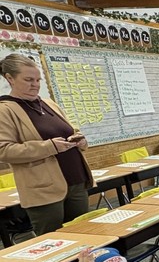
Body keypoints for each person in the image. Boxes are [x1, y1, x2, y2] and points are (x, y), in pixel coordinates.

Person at [0, 53, 92, 234]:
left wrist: (80, 141)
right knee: (55, 243)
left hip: (76, 180)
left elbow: (71, 131)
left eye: (37, 80)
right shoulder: (5, 109)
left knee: (84, 237)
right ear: (9, 78)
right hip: (44, 191)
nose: (35, 84)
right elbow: (3, 150)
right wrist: (49, 147)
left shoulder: (49, 104)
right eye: (28, 79)